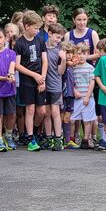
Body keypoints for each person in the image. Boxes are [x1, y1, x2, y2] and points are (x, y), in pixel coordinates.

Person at [14, 10, 48, 152]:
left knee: (42, 111)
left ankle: (33, 131)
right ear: (27, 26)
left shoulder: (40, 40)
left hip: (40, 78)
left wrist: (42, 79)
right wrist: (34, 75)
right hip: (27, 79)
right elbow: (17, 65)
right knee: (30, 108)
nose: (37, 30)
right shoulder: (19, 43)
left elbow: (44, 60)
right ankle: (30, 138)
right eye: (35, 27)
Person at [44, 23, 67, 151]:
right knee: (46, 113)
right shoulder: (43, 48)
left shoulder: (60, 51)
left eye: (60, 38)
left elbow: (61, 71)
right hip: (44, 85)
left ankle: (58, 138)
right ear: (50, 34)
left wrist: (63, 60)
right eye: (57, 37)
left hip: (56, 85)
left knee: (55, 112)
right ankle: (48, 137)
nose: (58, 40)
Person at [71, 43, 97, 150]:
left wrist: (87, 96)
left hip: (88, 98)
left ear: (88, 55)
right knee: (72, 119)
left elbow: (92, 82)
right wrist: (74, 91)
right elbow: (70, 82)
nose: (81, 56)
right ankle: (71, 139)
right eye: (79, 53)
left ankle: (86, 139)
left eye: (84, 53)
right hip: (76, 98)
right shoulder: (73, 68)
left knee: (87, 120)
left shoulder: (90, 68)